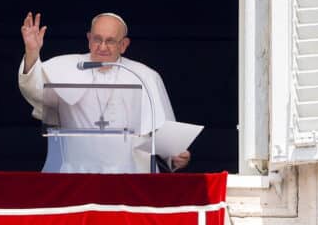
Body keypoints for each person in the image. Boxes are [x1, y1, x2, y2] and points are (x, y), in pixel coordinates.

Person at [18, 11, 191, 173]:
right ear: (88, 39)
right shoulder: (65, 66)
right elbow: (34, 90)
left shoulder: (146, 76)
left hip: (132, 174)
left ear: (123, 45)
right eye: (97, 39)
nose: (102, 47)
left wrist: (174, 156)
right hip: (76, 172)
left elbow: (164, 130)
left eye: (110, 41)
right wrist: (32, 52)